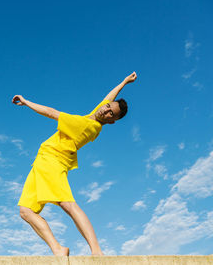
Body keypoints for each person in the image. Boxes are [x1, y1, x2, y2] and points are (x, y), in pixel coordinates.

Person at [13, 72, 137, 256]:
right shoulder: (93, 118)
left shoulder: (86, 125)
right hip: (41, 162)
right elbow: (107, 99)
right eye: (108, 107)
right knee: (25, 211)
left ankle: (96, 251)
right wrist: (124, 82)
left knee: (68, 205)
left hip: (52, 162)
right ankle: (58, 248)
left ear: (111, 121)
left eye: (111, 113)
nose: (106, 110)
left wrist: (26, 101)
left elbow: (51, 112)